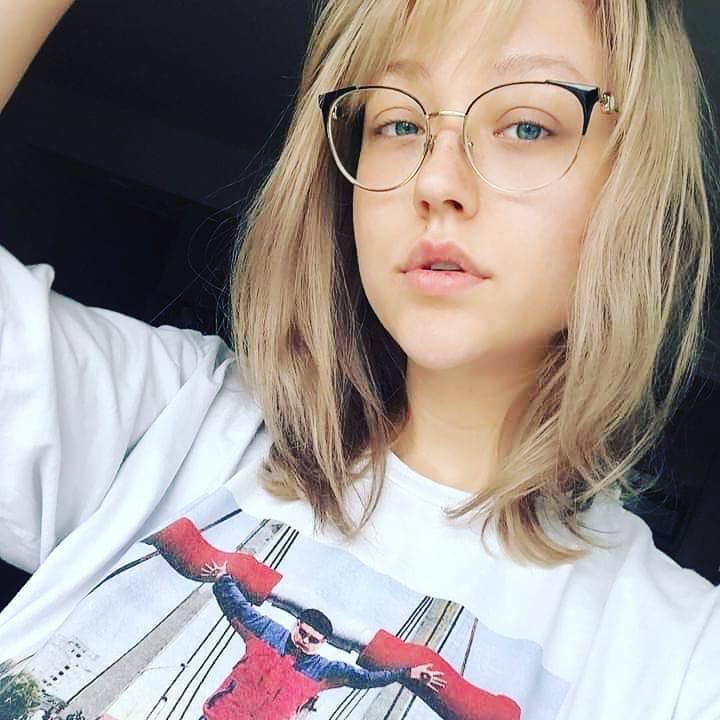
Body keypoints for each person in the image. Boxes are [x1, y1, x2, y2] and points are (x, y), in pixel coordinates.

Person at [0, 0, 719, 719]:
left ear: (635, 187)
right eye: (399, 124)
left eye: (526, 125)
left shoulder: (680, 664)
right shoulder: (167, 417)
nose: (434, 181)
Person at [197, 560, 445, 720]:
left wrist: (406, 674)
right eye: (302, 633)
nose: (304, 641)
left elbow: (365, 678)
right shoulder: (267, 633)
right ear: (296, 625)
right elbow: (241, 610)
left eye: (313, 640)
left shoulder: (324, 671)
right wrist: (223, 579)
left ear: (323, 643)